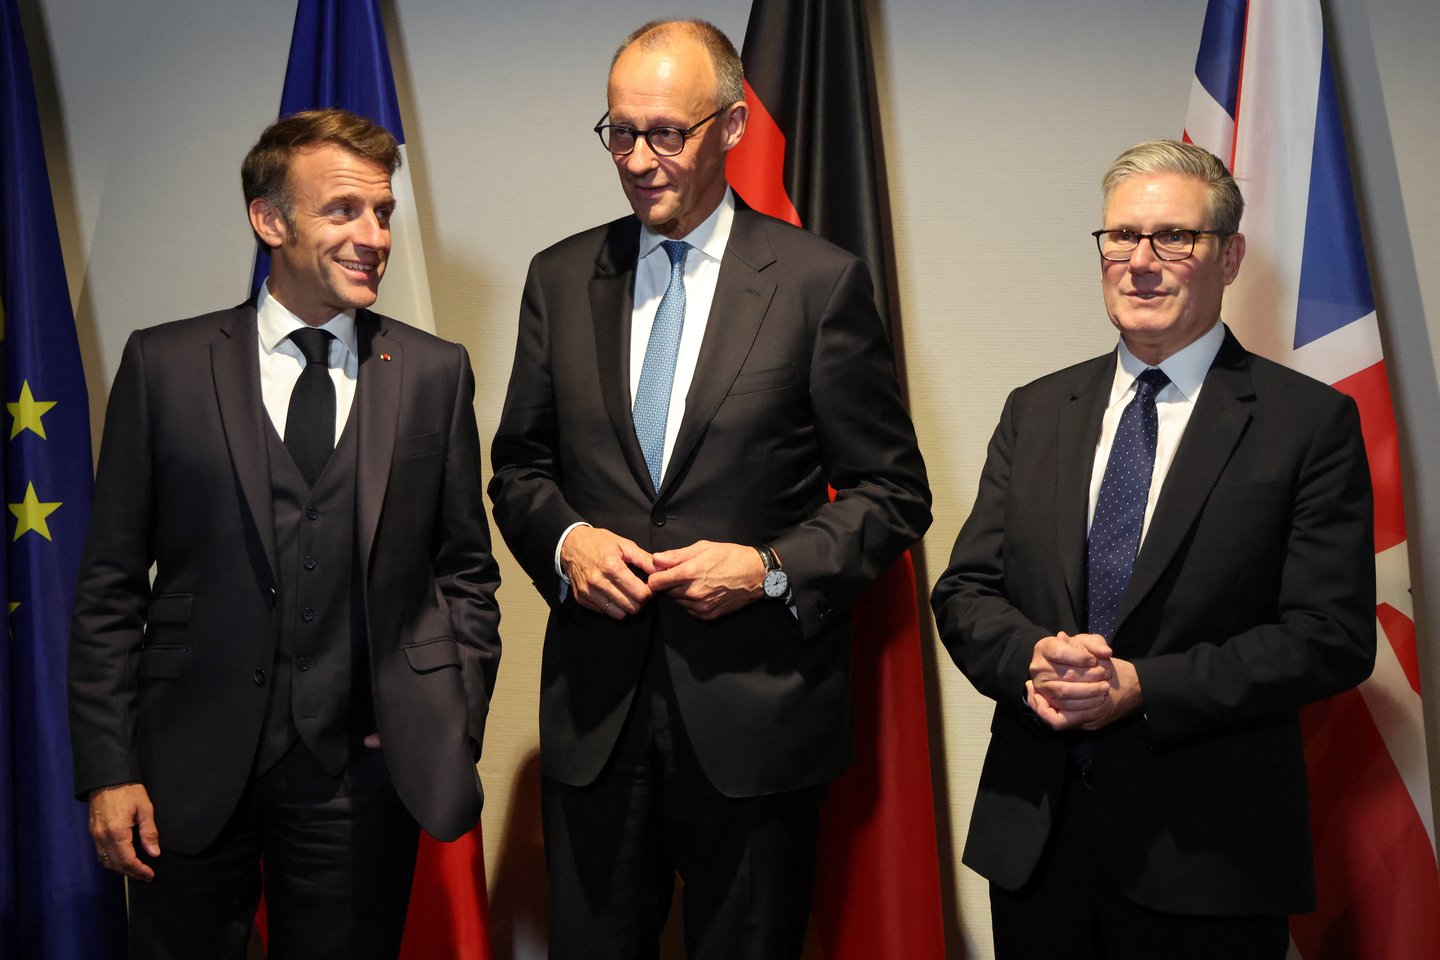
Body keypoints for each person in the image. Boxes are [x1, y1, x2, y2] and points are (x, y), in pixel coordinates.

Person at [488, 19, 930, 959]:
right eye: (619, 132)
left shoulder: (818, 284)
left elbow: (893, 492)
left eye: (665, 133)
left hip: (758, 724)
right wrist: (568, 545)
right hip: (597, 722)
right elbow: (519, 467)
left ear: (731, 126)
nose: (637, 160)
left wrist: (768, 568)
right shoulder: (560, 278)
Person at [68, 108, 501, 959]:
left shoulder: (433, 372)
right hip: (184, 767)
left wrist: (444, 718)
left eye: (382, 212)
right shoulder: (164, 366)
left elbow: (465, 572)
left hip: (360, 777)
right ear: (269, 220)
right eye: (344, 210)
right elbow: (109, 587)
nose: (374, 236)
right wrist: (110, 767)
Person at [931, 138, 1375, 958]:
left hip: (1210, 857)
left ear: (1229, 256)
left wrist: (1145, 687)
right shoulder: (1036, 410)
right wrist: (1032, 656)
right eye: (1121, 236)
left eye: (1174, 237)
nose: (1141, 261)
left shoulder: (1307, 424)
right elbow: (965, 592)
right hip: (1038, 847)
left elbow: (1331, 636)